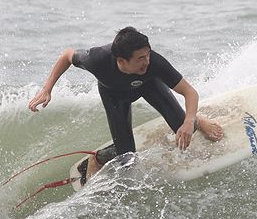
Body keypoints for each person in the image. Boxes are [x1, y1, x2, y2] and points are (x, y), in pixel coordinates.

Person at [28, 26, 223, 181]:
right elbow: (67, 55)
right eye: (141, 58)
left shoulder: (153, 64)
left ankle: (198, 120)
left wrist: (189, 121)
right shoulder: (97, 59)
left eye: (148, 54)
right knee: (127, 158)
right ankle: (97, 158)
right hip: (114, 95)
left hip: (149, 85)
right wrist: (47, 89)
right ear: (121, 61)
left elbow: (190, 92)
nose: (147, 61)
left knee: (184, 126)